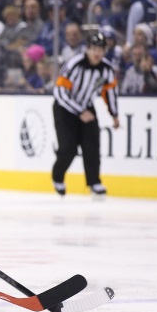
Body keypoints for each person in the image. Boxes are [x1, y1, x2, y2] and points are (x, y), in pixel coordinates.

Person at [52, 33, 120, 197]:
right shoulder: (73, 64)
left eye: (101, 49)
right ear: (87, 49)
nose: (97, 53)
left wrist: (114, 114)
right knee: (68, 148)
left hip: (87, 108)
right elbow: (59, 91)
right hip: (65, 109)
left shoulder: (106, 69)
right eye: (94, 49)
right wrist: (79, 111)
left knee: (92, 146)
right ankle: (58, 177)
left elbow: (109, 91)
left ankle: (94, 182)